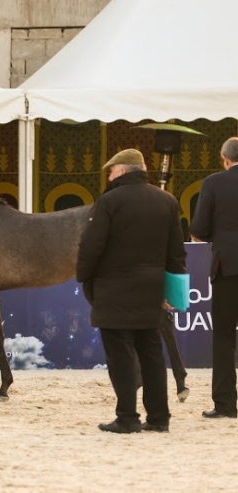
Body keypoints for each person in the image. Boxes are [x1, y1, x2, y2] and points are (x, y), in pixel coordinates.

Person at [76, 148, 186, 434]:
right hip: (151, 291)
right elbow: (176, 253)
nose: (109, 178)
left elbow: (91, 247)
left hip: (114, 291)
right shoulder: (168, 201)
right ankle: (159, 418)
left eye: (110, 172)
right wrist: (174, 293)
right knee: (151, 353)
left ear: (122, 170)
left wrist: (84, 277)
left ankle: (127, 417)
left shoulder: (108, 202)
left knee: (121, 355)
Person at [190, 137, 238, 419]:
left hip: (227, 267)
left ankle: (226, 404)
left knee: (223, 336)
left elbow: (199, 229)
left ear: (224, 159)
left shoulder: (213, 183)